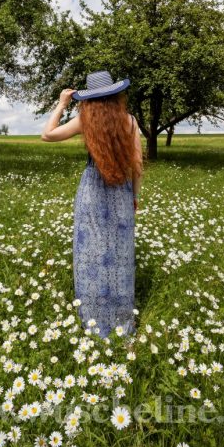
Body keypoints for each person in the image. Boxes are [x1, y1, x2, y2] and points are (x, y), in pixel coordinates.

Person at [41, 70, 143, 339]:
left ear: (88, 98)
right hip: (121, 190)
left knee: (91, 254)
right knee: (120, 254)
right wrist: (134, 197)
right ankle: (122, 322)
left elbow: (47, 135)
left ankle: (93, 320)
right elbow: (138, 167)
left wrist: (62, 104)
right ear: (115, 94)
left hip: (92, 192)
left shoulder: (84, 120)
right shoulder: (130, 121)